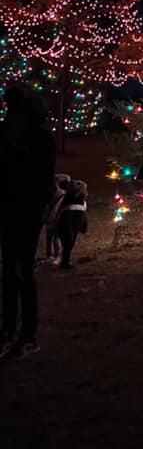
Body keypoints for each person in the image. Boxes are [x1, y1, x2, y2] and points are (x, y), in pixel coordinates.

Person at [0, 86, 56, 360]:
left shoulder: (39, 140)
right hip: (10, 208)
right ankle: (9, 328)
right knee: (9, 270)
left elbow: (41, 178)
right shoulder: (7, 134)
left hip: (28, 209)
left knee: (20, 269)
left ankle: (27, 334)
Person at [56, 177, 88, 270]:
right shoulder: (68, 199)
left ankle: (65, 261)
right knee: (68, 242)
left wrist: (84, 225)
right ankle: (64, 262)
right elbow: (64, 213)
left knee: (70, 243)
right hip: (67, 224)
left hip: (74, 224)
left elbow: (83, 212)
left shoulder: (81, 199)